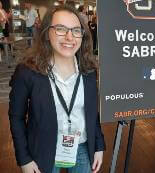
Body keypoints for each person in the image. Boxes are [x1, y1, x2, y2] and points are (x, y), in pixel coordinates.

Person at [9, 5, 105, 173]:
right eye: (61, 29)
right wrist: (24, 159)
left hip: (82, 147)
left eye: (76, 30)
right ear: (47, 33)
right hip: (43, 149)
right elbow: (16, 117)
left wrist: (98, 145)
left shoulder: (89, 70)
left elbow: (92, 114)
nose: (69, 37)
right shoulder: (27, 71)